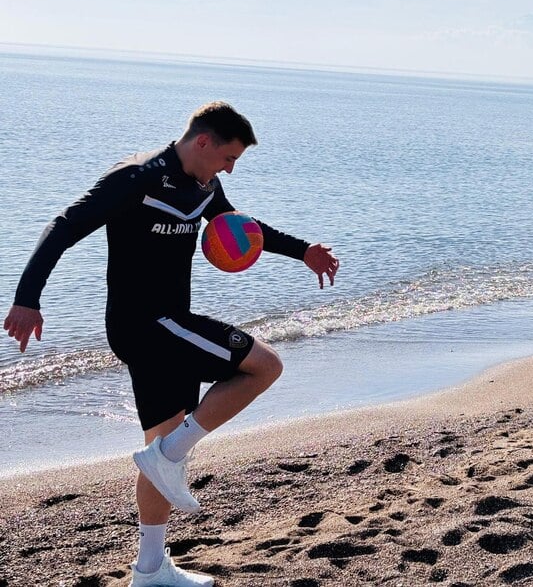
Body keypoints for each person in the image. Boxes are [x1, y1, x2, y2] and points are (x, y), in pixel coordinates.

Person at [4, 102, 339, 587]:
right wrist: (27, 299)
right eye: (228, 158)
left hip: (166, 325)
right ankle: (171, 456)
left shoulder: (206, 185)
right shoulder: (136, 177)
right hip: (146, 324)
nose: (229, 168)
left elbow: (240, 228)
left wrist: (301, 250)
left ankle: (150, 568)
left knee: (160, 450)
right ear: (203, 141)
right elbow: (63, 226)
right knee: (264, 367)